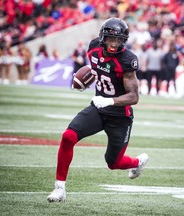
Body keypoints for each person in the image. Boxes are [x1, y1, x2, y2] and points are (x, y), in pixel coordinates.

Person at [47, 17, 149, 202]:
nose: (114, 43)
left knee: (113, 163)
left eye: (119, 40)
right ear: (102, 37)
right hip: (98, 109)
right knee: (68, 136)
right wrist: (85, 79)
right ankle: (59, 188)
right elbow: (99, 69)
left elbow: (133, 97)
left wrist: (109, 101)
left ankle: (137, 162)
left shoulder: (127, 60)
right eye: (111, 38)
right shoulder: (93, 47)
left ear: (124, 41)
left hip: (120, 116)